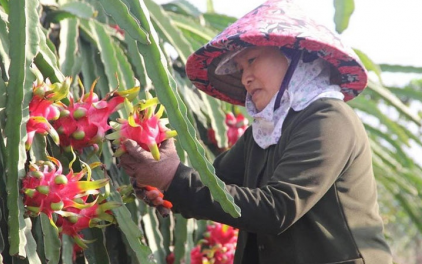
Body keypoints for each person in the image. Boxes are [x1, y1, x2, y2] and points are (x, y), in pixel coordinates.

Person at [119, 0, 393, 263]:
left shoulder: (328, 118)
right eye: (240, 68)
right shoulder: (264, 132)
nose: (244, 76)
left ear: (294, 56)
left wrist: (171, 177)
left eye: (251, 60)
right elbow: (215, 180)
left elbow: (278, 208)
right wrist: (164, 184)